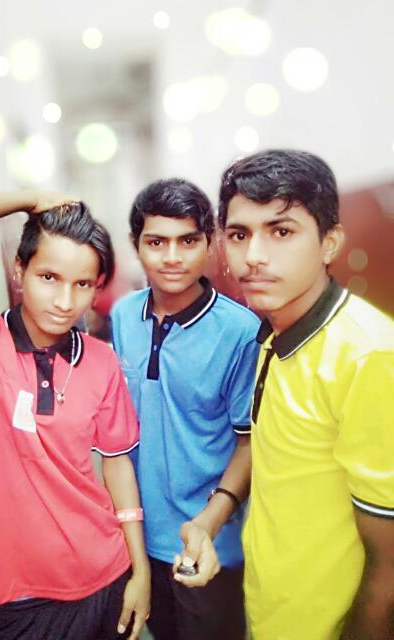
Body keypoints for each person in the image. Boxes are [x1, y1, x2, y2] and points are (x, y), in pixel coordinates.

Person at [0, 192, 150, 640]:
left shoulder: (101, 360)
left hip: (106, 578)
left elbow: (117, 464)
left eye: (83, 284)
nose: (65, 300)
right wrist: (25, 199)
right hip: (17, 601)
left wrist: (140, 572)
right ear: (19, 270)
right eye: (49, 277)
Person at [218, 149, 394, 640]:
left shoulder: (368, 356)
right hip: (271, 612)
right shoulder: (274, 334)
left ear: (329, 243)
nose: (253, 256)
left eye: (281, 231)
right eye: (239, 234)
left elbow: (390, 563)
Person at [110, 178, 260, 639]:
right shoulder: (122, 315)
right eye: (157, 242)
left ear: (210, 243)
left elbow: (249, 444)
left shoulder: (240, 332)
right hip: (137, 539)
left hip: (208, 545)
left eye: (188, 241)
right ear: (136, 245)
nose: (172, 257)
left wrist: (207, 524)